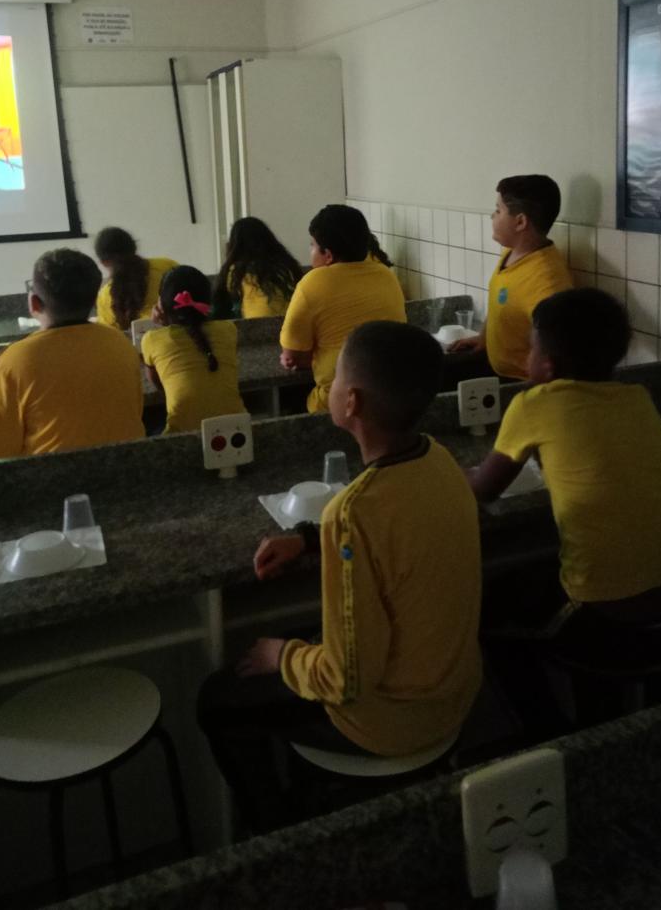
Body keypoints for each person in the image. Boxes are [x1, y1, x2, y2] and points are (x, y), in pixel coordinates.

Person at [197, 321, 482, 832]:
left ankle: (276, 836)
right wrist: (309, 539)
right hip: (455, 694)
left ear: (351, 402)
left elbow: (344, 678)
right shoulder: (439, 460)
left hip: (391, 721)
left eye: (335, 379)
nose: (327, 386)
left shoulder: (351, 515)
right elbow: (395, 525)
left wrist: (281, 655)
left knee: (219, 701)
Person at [470, 288, 661, 732]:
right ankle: (607, 725)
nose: (526, 357)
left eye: (532, 348)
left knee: (486, 612)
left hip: (607, 615)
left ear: (548, 365)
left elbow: (483, 490)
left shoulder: (533, 403)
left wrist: (450, 474)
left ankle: (551, 735)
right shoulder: (638, 397)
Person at [0, 249, 144, 460]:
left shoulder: (13, 363)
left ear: (34, 303)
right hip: (128, 471)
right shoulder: (121, 344)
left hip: (54, 479)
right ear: (94, 300)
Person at [279, 204, 406, 412]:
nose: (310, 252)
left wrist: (303, 358)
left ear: (328, 255)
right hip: (389, 398)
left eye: (312, 245)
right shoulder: (386, 275)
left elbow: (294, 357)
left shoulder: (312, 283)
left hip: (339, 404)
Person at [449, 175, 572, 378]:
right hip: (494, 364)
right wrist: (484, 338)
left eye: (498, 210)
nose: (492, 216)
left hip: (519, 381)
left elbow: (557, 351)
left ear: (520, 222)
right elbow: (499, 304)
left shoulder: (546, 280)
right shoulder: (512, 252)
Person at [140, 266, 245, 434]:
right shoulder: (228, 329)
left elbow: (158, 383)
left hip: (182, 437)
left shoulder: (151, 339)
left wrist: (163, 325)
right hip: (238, 430)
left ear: (162, 305)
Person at [215, 216, 304, 319]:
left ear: (235, 244)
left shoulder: (237, 272)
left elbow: (224, 301)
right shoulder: (287, 266)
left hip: (255, 325)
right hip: (293, 323)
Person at [93, 226, 178, 331]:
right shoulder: (167, 266)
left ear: (104, 262)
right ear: (134, 248)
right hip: (182, 337)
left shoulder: (105, 296)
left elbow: (109, 335)